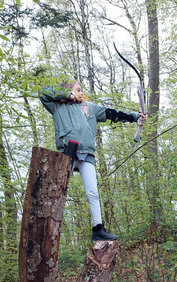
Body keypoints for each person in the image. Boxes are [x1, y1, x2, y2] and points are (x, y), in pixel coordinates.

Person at [40, 80, 146, 241]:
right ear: (69, 91)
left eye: (81, 90)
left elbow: (112, 113)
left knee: (93, 192)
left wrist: (134, 117)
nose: (81, 92)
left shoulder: (89, 107)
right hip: (66, 153)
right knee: (57, 191)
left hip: (86, 153)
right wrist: (67, 95)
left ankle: (98, 228)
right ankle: (46, 230)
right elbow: (42, 92)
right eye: (78, 90)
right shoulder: (57, 106)